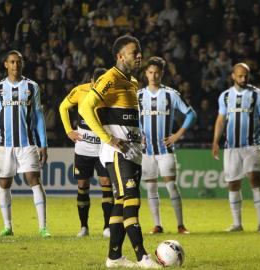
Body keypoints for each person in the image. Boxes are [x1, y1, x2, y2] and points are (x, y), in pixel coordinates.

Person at [79, 35, 160, 268]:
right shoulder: (110, 78)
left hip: (132, 150)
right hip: (117, 153)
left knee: (121, 202)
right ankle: (143, 257)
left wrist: (138, 133)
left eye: (140, 51)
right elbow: (85, 108)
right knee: (132, 201)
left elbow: (127, 116)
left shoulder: (133, 82)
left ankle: (114, 257)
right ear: (120, 56)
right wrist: (108, 138)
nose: (139, 56)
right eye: (134, 52)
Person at [0, 50, 51, 238]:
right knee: (4, 183)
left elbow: (39, 116)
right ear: (6, 65)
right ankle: (8, 227)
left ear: (22, 64)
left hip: (27, 144)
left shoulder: (32, 86)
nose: (15, 65)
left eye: (18, 62)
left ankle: (43, 227)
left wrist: (44, 144)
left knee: (34, 180)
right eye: (12, 62)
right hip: (4, 145)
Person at [212, 63, 260, 233]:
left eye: (246, 76)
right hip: (231, 147)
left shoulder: (256, 94)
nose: (243, 79)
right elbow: (220, 120)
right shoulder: (224, 96)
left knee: (255, 180)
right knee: (233, 184)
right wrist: (215, 141)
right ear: (233, 76)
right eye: (240, 76)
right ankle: (237, 224)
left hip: (251, 146)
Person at [138, 56, 196, 235]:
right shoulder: (138, 96)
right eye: (150, 72)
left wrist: (177, 135)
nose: (153, 76)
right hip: (147, 151)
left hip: (165, 150)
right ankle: (157, 225)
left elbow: (191, 113)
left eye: (157, 73)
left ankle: (180, 225)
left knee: (171, 185)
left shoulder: (171, 94)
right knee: (151, 187)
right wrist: (138, 136)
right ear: (146, 74)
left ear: (161, 74)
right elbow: (132, 120)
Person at [59, 68, 114, 238]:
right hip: (83, 148)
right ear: (91, 81)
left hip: (103, 147)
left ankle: (107, 227)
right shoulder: (80, 90)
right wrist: (69, 131)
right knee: (83, 185)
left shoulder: (110, 93)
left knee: (106, 182)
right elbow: (63, 107)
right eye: (96, 83)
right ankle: (84, 227)